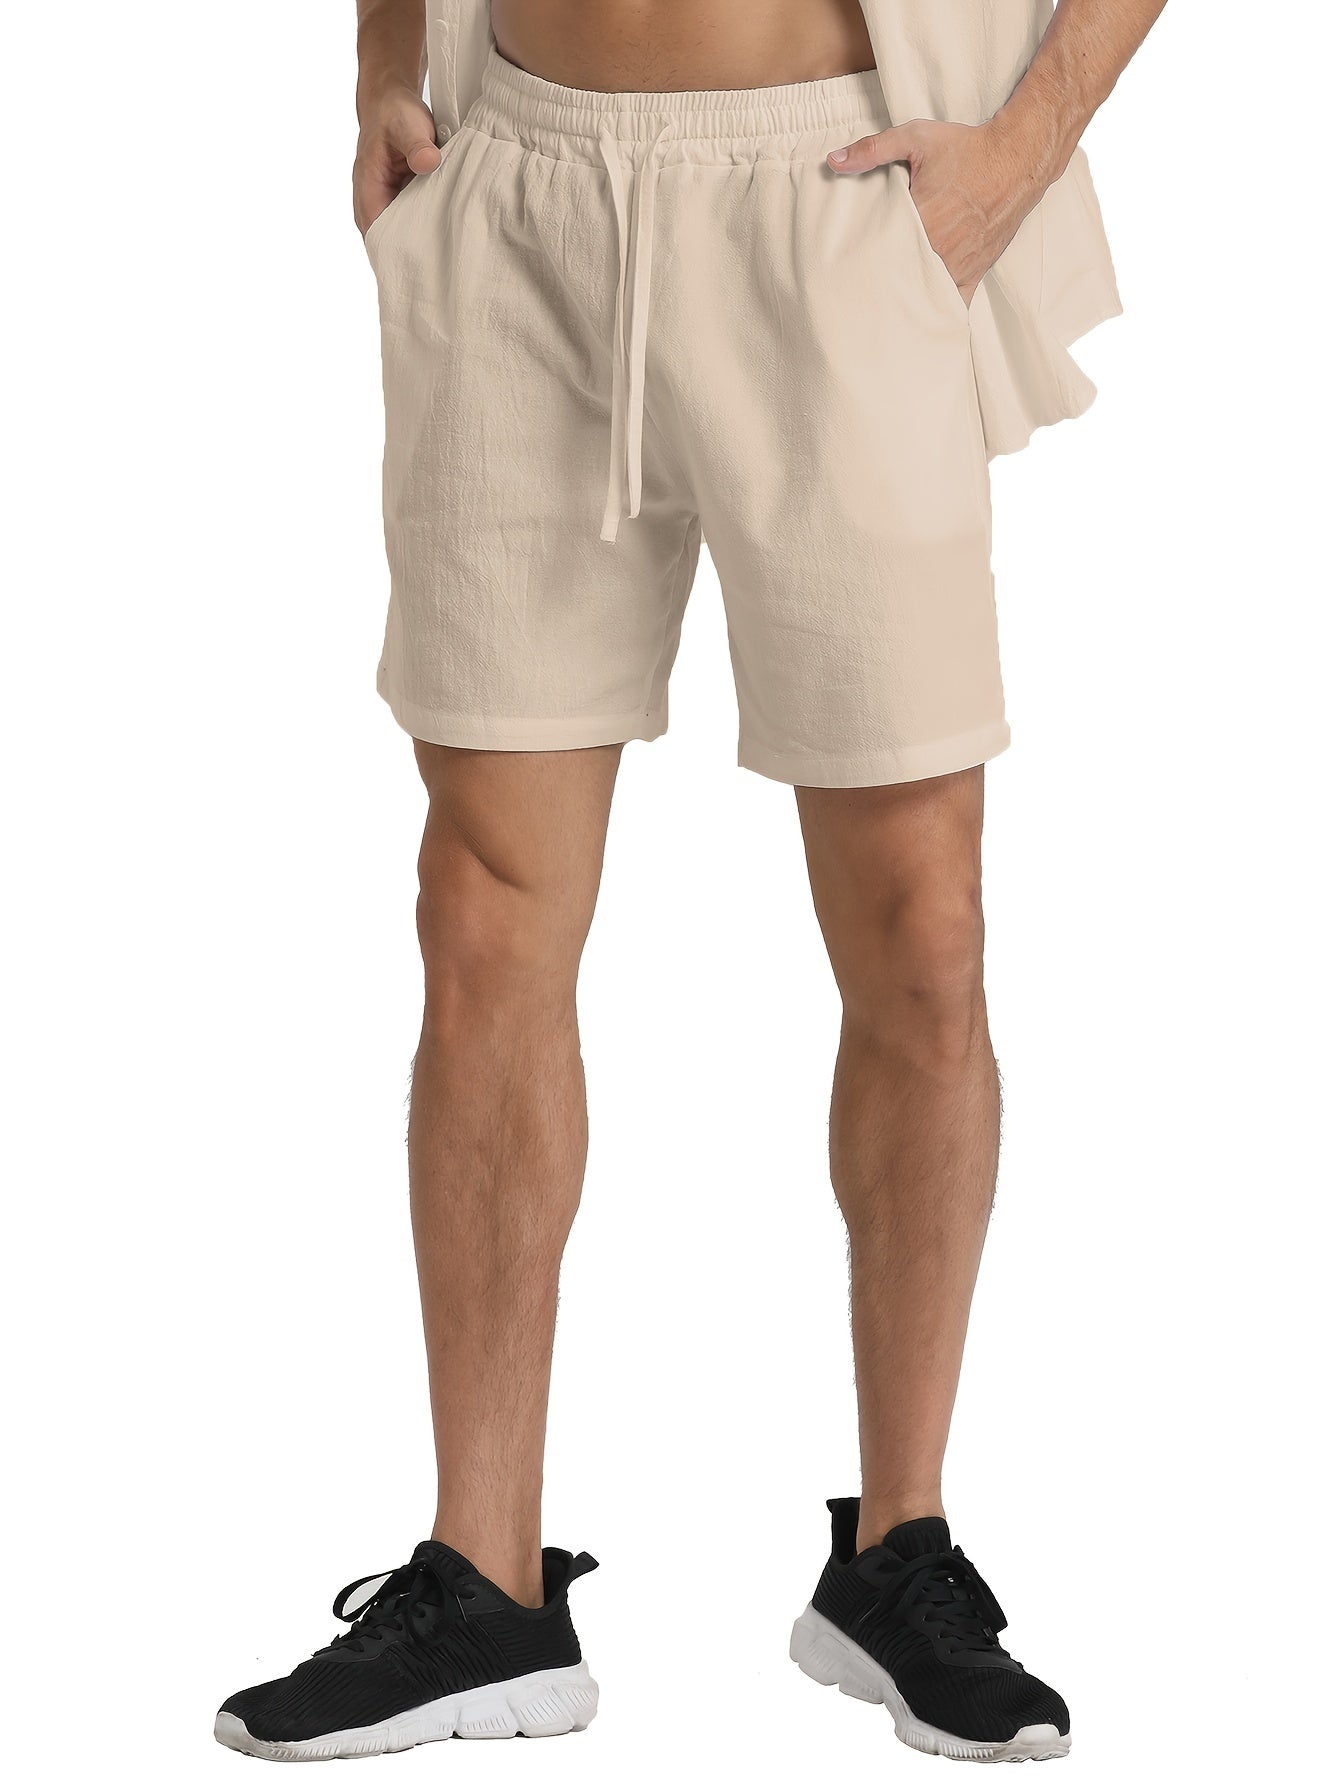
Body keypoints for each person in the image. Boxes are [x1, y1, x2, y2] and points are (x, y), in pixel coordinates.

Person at [216, 0, 1164, 1764]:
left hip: (836, 185)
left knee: (923, 922)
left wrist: (1024, 151)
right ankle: (484, 1581)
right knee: (481, 903)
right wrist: (383, 68)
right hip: (520, 183)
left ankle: (899, 1551)